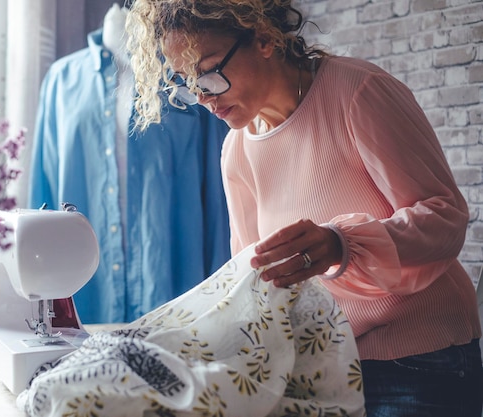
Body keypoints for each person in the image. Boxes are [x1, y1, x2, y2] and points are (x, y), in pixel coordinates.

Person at [124, 0, 483, 415]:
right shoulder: (236, 151)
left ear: (262, 38)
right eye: (186, 81)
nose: (203, 97)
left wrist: (339, 243)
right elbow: (256, 281)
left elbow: (445, 217)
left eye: (208, 72)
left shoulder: (357, 92)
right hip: (327, 366)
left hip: (419, 357)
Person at [28, 4, 231, 324]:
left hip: (177, 296)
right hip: (84, 298)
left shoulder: (185, 76)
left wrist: (224, 297)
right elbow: (43, 190)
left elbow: (220, 194)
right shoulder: (61, 80)